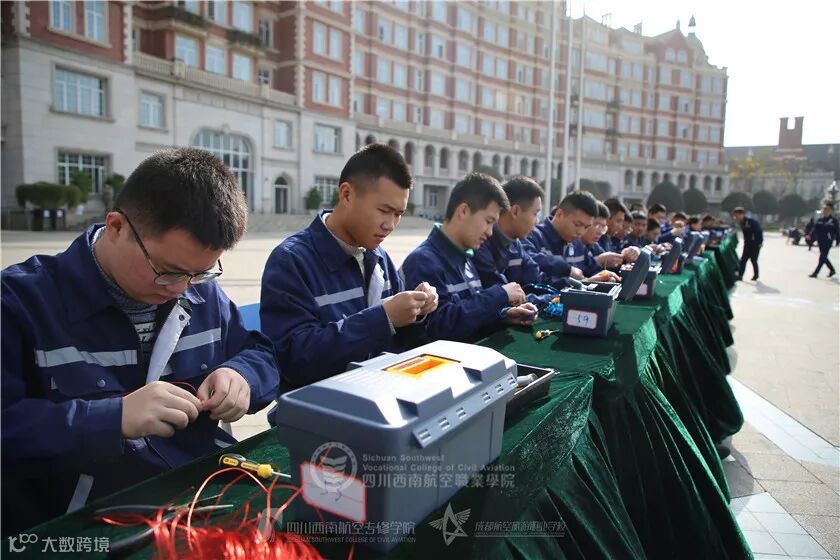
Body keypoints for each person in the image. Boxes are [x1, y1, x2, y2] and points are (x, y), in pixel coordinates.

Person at [1, 148, 279, 533]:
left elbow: (260, 353)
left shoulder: (201, 292)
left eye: (200, 273)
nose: (181, 289)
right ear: (116, 227)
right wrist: (112, 418)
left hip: (196, 502)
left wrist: (242, 376)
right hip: (82, 525)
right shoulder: (20, 303)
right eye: (167, 271)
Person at [260, 144, 438, 393]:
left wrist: (417, 312)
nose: (390, 225)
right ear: (346, 195)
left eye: (398, 214)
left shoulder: (380, 257)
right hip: (320, 404)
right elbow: (294, 360)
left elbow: (404, 343)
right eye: (384, 210)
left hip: (379, 394)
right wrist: (383, 318)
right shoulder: (292, 261)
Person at [401, 173, 538, 343]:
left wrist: (503, 316)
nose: (490, 232)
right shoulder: (423, 261)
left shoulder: (466, 259)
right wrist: (499, 295)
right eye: (488, 221)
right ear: (463, 211)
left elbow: (469, 318)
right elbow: (437, 328)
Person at [473, 176, 544, 290]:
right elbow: (503, 292)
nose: (537, 222)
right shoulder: (481, 243)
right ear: (515, 211)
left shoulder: (515, 243)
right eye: (535, 214)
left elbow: (534, 278)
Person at [522, 191, 600, 283]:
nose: (581, 232)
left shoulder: (578, 245)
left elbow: (593, 270)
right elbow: (529, 260)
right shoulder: (531, 236)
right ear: (559, 214)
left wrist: (601, 278)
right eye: (577, 224)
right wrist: (567, 270)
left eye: (586, 227)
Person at [579, 202, 622, 279]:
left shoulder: (594, 245)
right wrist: (599, 261)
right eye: (597, 225)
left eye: (603, 227)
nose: (600, 232)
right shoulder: (573, 244)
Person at [601, 198, 641, 262]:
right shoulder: (597, 239)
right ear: (606, 219)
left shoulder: (607, 238)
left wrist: (631, 252)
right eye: (618, 221)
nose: (620, 227)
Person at [808, 202, 840, 278]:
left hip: (828, 241)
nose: (825, 210)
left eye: (827, 209)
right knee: (824, 257)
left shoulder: (834, 221)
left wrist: (838, 240)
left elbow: (837, 231)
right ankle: (832, 270)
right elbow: (814, 228)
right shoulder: (820, 220)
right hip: (820, 240)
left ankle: (816, 273)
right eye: (824, 209)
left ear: (831, 210)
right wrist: (810, 235)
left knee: (822, 256)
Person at [732, 206, 763, 281]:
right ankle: (740, 275)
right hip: (747, 243)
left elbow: (759, 231)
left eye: (737, 215)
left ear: (741, 214)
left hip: (755, 244)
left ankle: (756, 275)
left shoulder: (751, 222)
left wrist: (760, 242)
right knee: (743, 260)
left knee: (753, 260)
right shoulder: (742, 222)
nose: (736, 217)